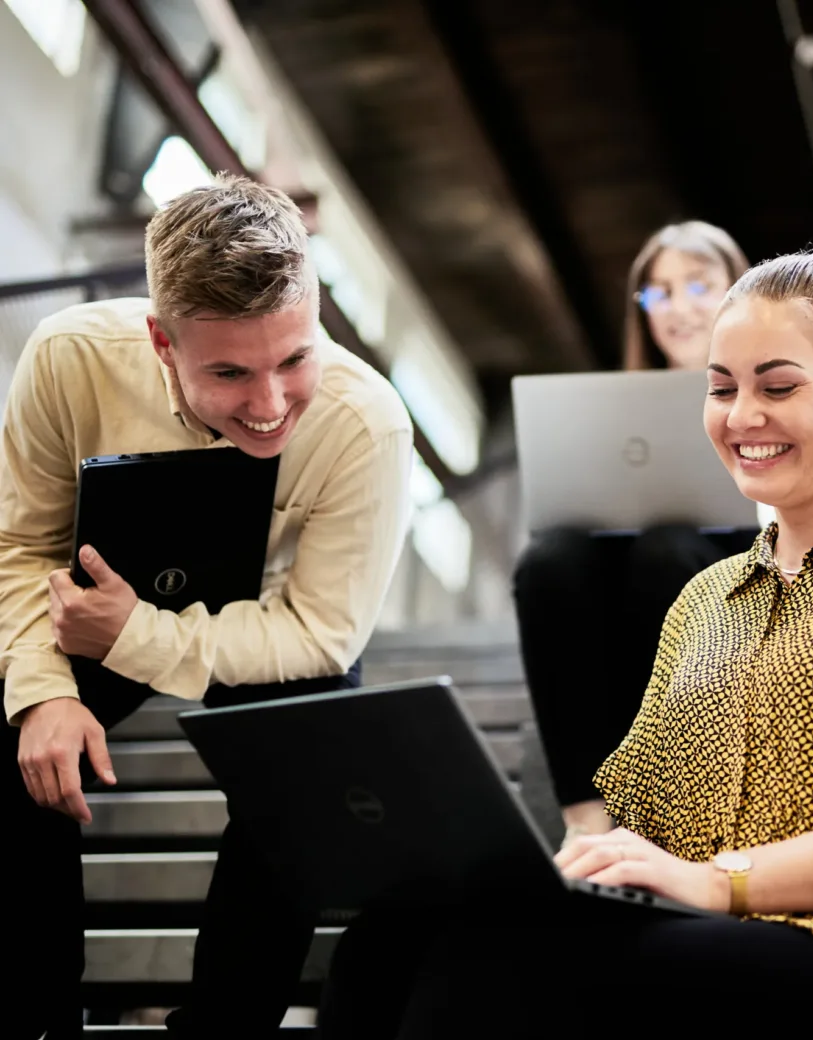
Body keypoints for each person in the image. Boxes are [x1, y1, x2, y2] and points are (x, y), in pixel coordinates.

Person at [320, 244, 813, 1039]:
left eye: (778, 385)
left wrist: (719, 883)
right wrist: (538, 869)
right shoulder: (703, 599)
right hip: (711, 930)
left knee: (500, 975)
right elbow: (635, 826)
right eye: (722, 388)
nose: (742, 417)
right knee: (386, 942)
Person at [0, 174, 413, 1039]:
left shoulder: (366, 423)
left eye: (295, 360)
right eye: (229, 372)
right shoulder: (68, 357)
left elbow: (323, 633)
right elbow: (18, 547)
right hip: (89, 605)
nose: (269, 406)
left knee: (311, 735)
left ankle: (227, 1031)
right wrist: (44, 691)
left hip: (261, 629)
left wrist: (139, 637)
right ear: (161, 340)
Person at [513, 220, 753, 846]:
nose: (678, 308)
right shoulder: (613, 411)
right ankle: (586, 822)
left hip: (730, 565)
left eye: (698, 286)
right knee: (550, 559)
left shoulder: (772, 390)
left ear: (736, 288)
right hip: (630, 576)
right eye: (659, 293)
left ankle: (671, 808)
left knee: (666, 551)